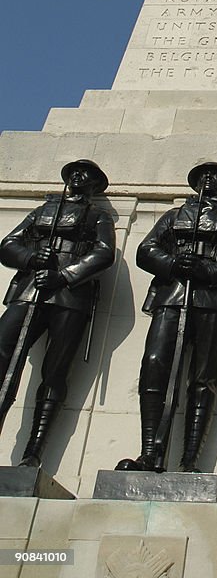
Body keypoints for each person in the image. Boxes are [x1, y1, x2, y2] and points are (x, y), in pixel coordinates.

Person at [116, 162, 217, 474]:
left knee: (203, 377)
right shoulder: (173, 216)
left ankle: (190, 459)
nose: (209, 181)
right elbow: (146, 249)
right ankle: (150, 453)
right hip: (172, 295)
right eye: (204, 176)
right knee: (155, 366)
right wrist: (173, 264)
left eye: (216, 178)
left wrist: (211, 269)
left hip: (212, 298)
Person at [0, 159, 115, 467]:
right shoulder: (42, 211)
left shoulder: (98, 215)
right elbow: (8, 244)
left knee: (55, 371)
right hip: (30, 289)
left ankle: (34, 452)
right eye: (74, 172)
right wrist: (31, 257)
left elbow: (104, 253)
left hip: (70, 296)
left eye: (86, 174)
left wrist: (64, 276)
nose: (78, 176)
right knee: (3, 357)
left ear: (95, 184)